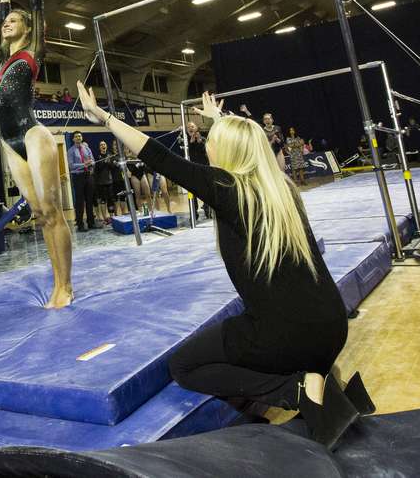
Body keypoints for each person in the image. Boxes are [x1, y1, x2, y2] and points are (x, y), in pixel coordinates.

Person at [75, 83, 365, 448]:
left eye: (213, 139)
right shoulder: (282, 188)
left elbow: (158, 157)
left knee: (184, 366)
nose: (207, 145)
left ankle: (296, 390)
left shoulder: (228, 188)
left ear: (225, 150)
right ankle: (315, 374)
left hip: (292, 336)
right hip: (333, 326)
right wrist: (219, 118)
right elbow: (250, 140)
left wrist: (104, 117)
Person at [0, 0, 73, 308]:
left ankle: (65, 287)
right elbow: (3, 16)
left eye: (14, 20)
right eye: (4, 20)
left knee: (52, 210)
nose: (6, 23)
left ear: (27, 29)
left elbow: (39, 15)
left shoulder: (32, 53)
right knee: (39, 214)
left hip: (31, 134)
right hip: (9, 141)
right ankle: (55, 283)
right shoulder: (5, 58)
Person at [67, 132, 97, 232]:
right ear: (73, 139)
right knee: (80, 202)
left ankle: (91, 223)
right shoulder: (71, 151)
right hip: (78, 177)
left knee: (89, 200)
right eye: (76, 137)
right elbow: (71, 165)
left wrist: (91, 163)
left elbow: (92, 160)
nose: (78, 138)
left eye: (79, 136)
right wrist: (84, 164)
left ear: (82, 137)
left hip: (88, 176)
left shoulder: (87, 148)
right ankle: (80, 224)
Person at [93, 140, 117, 222]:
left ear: (106, 146)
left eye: (104, 144)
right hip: (100, 182)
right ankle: (104, 217)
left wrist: (109, 162)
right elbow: (97, 168)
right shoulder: (97, 156)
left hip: (109, 181)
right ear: (99, 147)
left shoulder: (110, 155)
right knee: (103, 200)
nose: (103, 146)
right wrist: (104, 162)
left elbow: (113, 167)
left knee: (111, 200)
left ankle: (112, 216)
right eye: (101, 145)